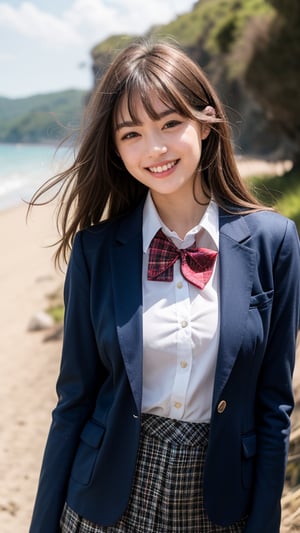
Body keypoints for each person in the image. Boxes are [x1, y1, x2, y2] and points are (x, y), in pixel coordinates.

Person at [29, 39, 300, 533]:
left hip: (217, 506)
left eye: (170, 124)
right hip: (102, 500)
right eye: (131, 133)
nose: (154, 148)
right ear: (115, 147)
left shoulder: (274, 242)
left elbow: (274, 408)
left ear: (205, 121)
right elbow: (73, 402)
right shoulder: (96, 251)